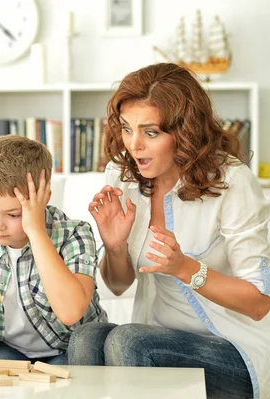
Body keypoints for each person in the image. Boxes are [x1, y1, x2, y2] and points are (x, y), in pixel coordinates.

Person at [68, 63, 270, 399]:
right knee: (87, 337)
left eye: (151, 132)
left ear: (185, 132)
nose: (134, 145)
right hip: (153, 341)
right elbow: (118, 285)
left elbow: (259, 302)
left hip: (234, 349)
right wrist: (115, 245)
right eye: (127, 128)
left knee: (128, 340)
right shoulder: (121, 176)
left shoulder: (232, 182)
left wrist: (185, 268)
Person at [0, 135, 107, 364]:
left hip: (66, 347)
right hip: (8, 349)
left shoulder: (74, 234)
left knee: (64, 375)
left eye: (13, 214)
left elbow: (71, 312)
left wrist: (36, 231)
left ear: (45, 198)